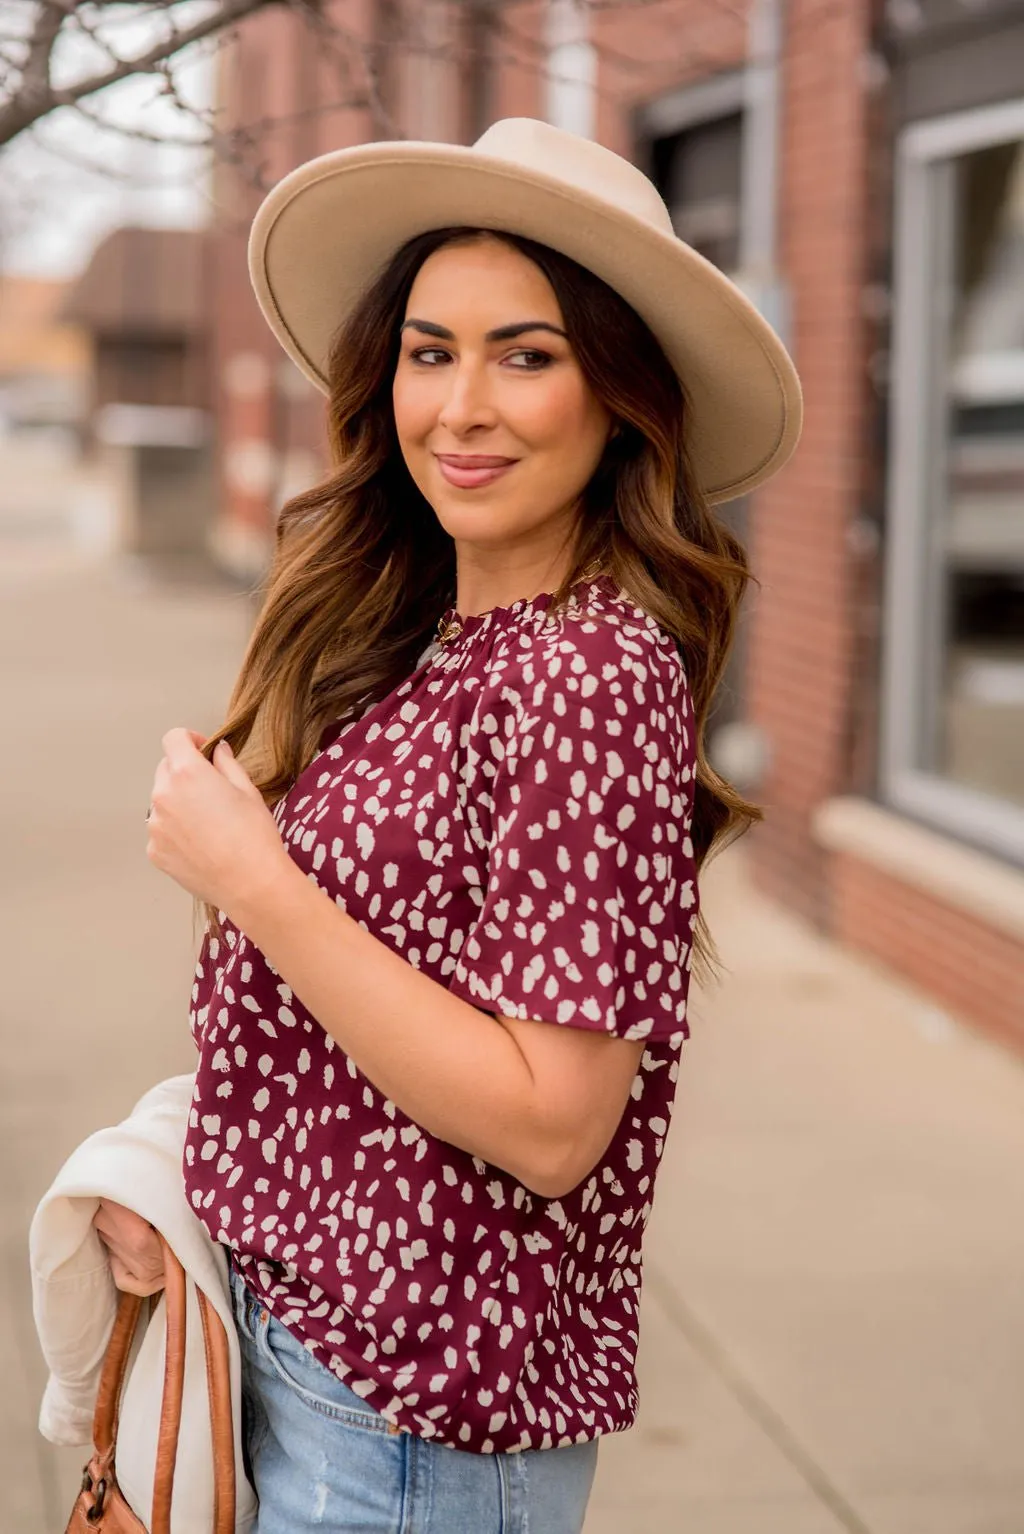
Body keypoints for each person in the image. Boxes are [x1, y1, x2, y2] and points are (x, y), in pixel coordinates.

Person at [93, 117, 801, 1532]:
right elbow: (363, 1033)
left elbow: (553, 1122)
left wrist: (257, 878)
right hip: (306, 1365)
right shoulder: (435, 636)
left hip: (409, 1432)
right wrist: (182, 1181)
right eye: (430, 350)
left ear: (621, 396)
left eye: (526, 355)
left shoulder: (589, 670)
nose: (460, 406)